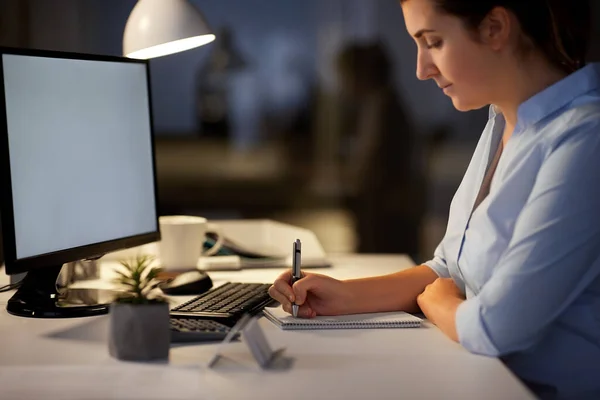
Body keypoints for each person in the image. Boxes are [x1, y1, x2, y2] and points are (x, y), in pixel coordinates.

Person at [268, 0, 600, 398]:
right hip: (477, 379)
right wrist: (343, 295)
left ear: (495, 28)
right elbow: (448, 268)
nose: (421, 69)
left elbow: (495, 327)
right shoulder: (501, 122)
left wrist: (440, 303)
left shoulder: (585, 140)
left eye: (434, 42)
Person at [335, 42, 423, 256]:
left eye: (345, 75)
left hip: (386, 214)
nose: (343, 83)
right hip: (385, 209)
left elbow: (370, 165)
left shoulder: (384, 108)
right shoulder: (381, 103)